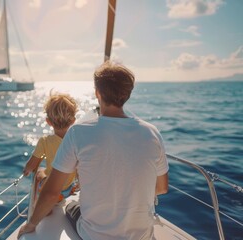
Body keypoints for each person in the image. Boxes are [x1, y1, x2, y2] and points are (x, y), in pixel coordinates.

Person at [18, 61, 169, 240]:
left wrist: (31, 224)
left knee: (70, 207)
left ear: (97, 93)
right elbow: (161, 188)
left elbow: (51, 193)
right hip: (142, 235)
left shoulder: (78, 132)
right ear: (127, 94)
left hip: (93, 235)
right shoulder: (152, 132)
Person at [23, 93, 78, 201]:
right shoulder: (76, 140)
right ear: (73, 121)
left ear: (48, 122)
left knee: (39, 172)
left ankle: (45, 200)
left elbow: (31, 166)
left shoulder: (45, 141)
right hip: (69, 187)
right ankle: (66, 191)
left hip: (52, 188)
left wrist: (26, 170)